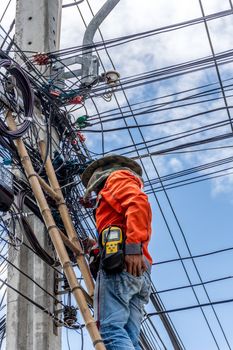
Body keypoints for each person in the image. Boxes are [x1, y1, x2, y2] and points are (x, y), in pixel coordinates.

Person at [81, 155, 152, 350]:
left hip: (124, 263)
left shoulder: (116, 178)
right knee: (130, 337)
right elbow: (118, 229)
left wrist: (132, 248)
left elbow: (138, 204)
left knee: (110, 332)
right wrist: (95, 247)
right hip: (138, 270)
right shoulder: (112, 200)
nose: (95, 191)